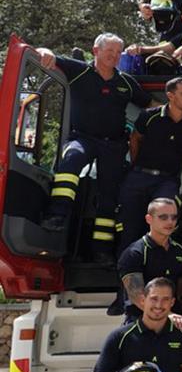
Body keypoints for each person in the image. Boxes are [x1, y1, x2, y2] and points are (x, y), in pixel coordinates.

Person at [35, 36, 152, 261]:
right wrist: (44, 51)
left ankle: (102, 250)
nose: (115, 56)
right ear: (95, 50)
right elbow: (42, 52)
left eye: (119, 52)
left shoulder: (126, 82)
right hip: (83, 138)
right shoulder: (78, 70)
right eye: (110, 51)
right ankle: (57, 215)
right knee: (70, 160)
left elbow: (149, 104)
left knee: (109, 196)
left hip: (114, 145)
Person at [116, 77, 182, 250]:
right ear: (170, 96)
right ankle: (126, 270)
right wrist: (136, 167)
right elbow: (135, 138)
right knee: (130, 227)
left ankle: (157, 268)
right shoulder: (150, 116)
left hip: (167, 181)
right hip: (139, 177)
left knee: (164, 220)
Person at [116, 198, 182, 323]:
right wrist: (170, 315)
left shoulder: (180, 251)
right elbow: (136, 296)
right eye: (163, 217)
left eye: (174, 217)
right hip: (140, 322)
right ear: (149, 219)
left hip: (172, 324)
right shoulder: (134, 253)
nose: (170, 222)